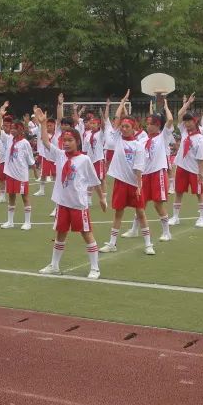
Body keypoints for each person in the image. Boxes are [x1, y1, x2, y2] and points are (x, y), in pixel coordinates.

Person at [33, 106, 107, 278]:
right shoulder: (60, 155)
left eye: (70, 140)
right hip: (62, 203)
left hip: (78, 204)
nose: (66, 143)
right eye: (64, 140)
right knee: (60, 234)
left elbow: (95, 181)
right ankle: (54, 265)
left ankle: (95, 267)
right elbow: (45, 142)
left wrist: (102, 198)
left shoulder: (84, 159)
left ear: (78, 142)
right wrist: (43, 124)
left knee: (86, 234)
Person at [100, 106, 152, 255]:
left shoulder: (138, 146)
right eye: (122, 126)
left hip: (134, 183)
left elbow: (139, 168)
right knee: (118, 213)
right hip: (120, 183)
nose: (123, 129)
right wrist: (121, 103)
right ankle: (112, 243)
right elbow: (116, 119)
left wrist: (139, 185)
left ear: (133, 128)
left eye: (127, 126)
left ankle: (148, 244)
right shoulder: (117, 139)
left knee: (141, 213)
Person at [139, 94, 175, 242]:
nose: (148, 126)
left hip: (157, 173)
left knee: (157, 203)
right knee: (140, 202)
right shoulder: (144, 139)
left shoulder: (163, 136)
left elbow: (171, 120)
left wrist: (165, 106)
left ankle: (166, 231)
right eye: (147, 124)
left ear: (158, 125)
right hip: (145, 174)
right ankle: (135, 228)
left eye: (151, 124)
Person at [170, 94, 203, 227]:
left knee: (199, 192)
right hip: (181, 167)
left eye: (189, 121)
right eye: (185, 121)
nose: (186, 123)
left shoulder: (200, 138)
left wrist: (201, 173)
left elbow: (200, 158)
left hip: (194, 169)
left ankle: (202, 218)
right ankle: (175, 217)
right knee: (178, 192)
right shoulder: (184, 132)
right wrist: (188, 103)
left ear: (195, 121)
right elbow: (180, 114)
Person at [0, 101, 35, 230]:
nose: (11, 130)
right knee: (11, 196)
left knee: (25, 197)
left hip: (21, 174)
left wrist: (35, 171)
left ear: (20, 130)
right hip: (10, 174)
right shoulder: (9, 139)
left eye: (14, 128)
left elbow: (30, 159)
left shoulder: (25, 143)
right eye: (11, 128)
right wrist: (1, 115)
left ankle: (27, 222)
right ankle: (10, 221)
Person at [0, 109, 15, 203]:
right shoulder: (2, 136)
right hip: (2, 160)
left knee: (9, 180)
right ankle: (2, 196)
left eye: (7, 125)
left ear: (11, 126)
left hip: (10, 161)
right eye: (4, 125)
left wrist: (0, 115)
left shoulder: (9, 137)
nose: (4, 127)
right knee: (2, 179)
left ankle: (9, 196)